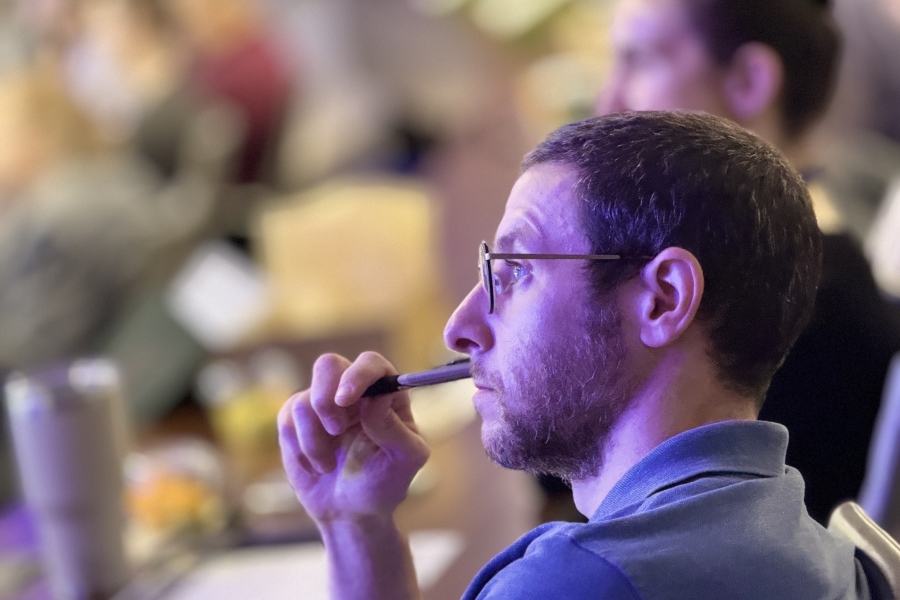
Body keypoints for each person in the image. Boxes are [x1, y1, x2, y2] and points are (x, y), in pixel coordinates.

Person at [278, 111, 886, 599]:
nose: (460, 327)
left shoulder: (582, 580)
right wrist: (355, 522)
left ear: (662, 299)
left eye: (514, 271)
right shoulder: (805, 544)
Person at [593, 0, 900, 525]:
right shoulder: (812, 277)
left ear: (749, 81)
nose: (609, 101)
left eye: (639, 59)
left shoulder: (771, 311)